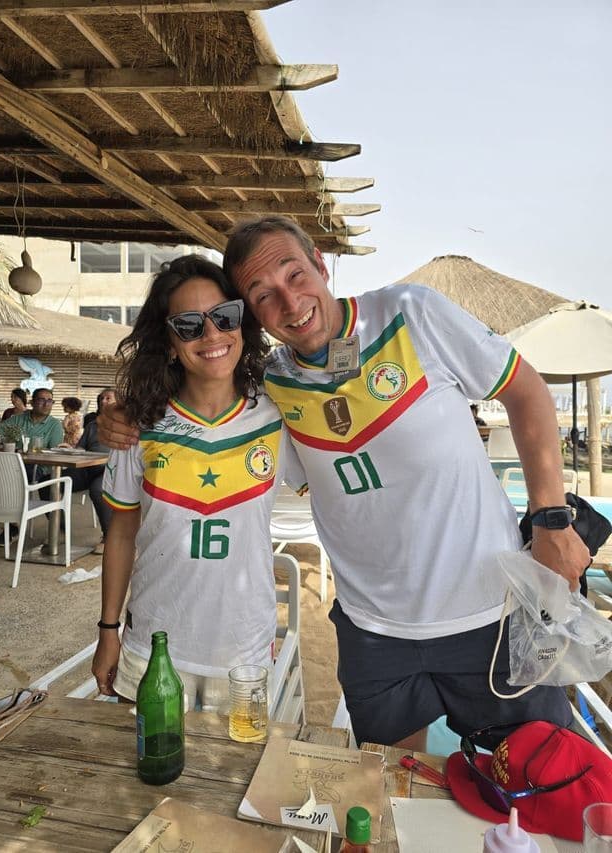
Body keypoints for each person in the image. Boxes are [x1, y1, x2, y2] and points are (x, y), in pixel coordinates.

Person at [98, 216, 590, 751]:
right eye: (263, 295)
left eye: (295, 275)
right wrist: (120, 412)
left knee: (540, 787)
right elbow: (196, 402)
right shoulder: (274, 387)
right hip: (373, 634)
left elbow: (526, 390)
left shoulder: (411, 313)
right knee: (388, 801)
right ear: (255, 316)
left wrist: (551, 518)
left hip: (488, 615)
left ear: (320, 261)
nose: (289, 303)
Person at [91, 255, 301, 711]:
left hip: (244, 648)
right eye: (188, 325)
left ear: (243, 325)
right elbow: (121, 534)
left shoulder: (281, 413)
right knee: (148, 774)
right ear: (168, 343)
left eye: (225, 317)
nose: (211, 335)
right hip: (154, 646)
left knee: (235, 777)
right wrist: (108, 631)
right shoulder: (136, 426)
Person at [0, 388, 64, 543]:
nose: (46, 404)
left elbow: (53, 453)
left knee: (12, 479)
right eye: (42, 399)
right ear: (31, 402)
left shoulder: (54, 425)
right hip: (11, 465)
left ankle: (12, 525)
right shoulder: (18, 419)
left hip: (38, 468)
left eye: (50, 400)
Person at [62, 388, 116, 555]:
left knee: (98, 489)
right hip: (87, 467)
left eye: (108, 398)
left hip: (109, 469)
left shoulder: (124, 425)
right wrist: (68, 449)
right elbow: (81, 449)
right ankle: (60, 528)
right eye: (101, 398)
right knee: (49, 483)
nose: (103, 401)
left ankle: (108, 538)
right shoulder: (92, 425)